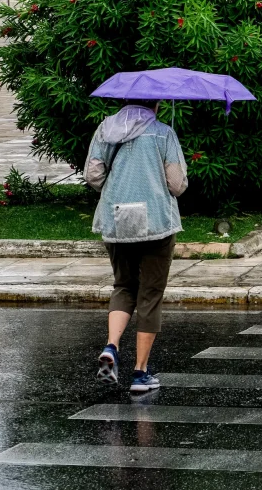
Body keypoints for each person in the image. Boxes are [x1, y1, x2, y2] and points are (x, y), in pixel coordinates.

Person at [84, 100, 188, 393]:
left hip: (116, 220)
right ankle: (140, 373)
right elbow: (176, 184)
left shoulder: (105, 130)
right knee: (151, 294)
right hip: (156, 221)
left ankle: (112, 345)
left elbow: (93, 175)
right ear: (155, 105)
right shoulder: (163, 133)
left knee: (124, 286)